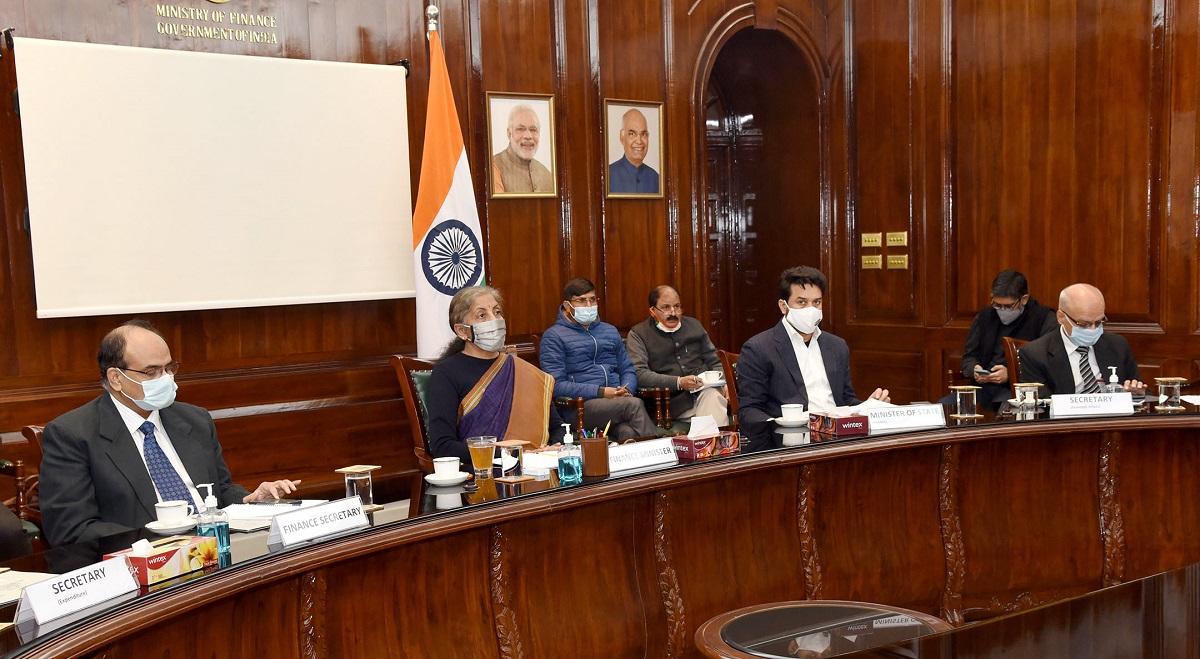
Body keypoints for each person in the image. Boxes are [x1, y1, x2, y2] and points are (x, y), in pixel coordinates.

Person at [39, 320, 301, 547]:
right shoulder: (72, 435)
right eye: (152, 372)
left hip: (217, 551)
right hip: (146, 566)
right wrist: (165, 539)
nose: (166, 379)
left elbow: (219, 490)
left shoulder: (194, 419)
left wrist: (249, 499)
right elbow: (72, 529)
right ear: (116, 379)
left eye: (169, 368)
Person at [737, 266, 889, 447]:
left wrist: (868, 406)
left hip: (839, 439)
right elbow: (749, 412)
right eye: (801, 302)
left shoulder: (836, 346)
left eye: (817, 302)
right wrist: (784, 425)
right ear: (783, 306)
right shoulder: (759, 348)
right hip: (791, 444)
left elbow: (845, 400)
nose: (811, 309)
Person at [427, 286, 565, 465]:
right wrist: (509, 454)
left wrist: (555, 446)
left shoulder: (524, 371)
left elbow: (557, 427)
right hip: (483, 473)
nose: (495, 320)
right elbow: (443, 446)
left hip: (539, 467)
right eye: (482, 315)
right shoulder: (446, 373)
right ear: (462, 331)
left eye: (497, 312)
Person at [540, 278, 660, 440]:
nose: (589, 306)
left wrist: (626, 390)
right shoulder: (553, 336)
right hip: (579, 407)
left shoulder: (609, 331)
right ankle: (661, 454)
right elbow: (556, 385)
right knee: (633, 405)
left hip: (617, 401)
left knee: (627, 432)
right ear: (568, 306)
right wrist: (601, 392)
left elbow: (627, 369)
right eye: (582, 301)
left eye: (592, 300)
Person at [625, 285, 729, 426]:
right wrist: (679, 382)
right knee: (713, 408)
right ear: (652, 311)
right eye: (666, 307)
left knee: (712, 397)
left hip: (706, 391)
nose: (673, 312)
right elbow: (639, 374)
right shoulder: (638, 334)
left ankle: (707, 445)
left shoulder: (694, 325)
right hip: (672, 404)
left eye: (677, 306)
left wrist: (724, 382)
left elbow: (715, 361)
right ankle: (712, 445)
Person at [1018, 283, 1145, 397]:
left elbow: (1140, 389)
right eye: (1083, 324)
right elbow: (1041, 405)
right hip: (1066, 422)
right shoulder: (1035, 354)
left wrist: (1136, 393)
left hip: (1112, 420)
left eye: (1099, 322)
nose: (1093, 329)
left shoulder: (1118, 345)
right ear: (1061, 317)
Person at [960, 269, 1057, 408]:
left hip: (1019, 393)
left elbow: (1048, 364)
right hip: (983, 389)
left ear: (1024, 299)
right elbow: (968, 357)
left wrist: (1011, 374)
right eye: (997, 305)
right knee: (945, 407)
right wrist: (974, 369)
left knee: (1006, 411)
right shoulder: (985, 316)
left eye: (1008, 306)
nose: (1002, 310)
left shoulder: (1044, 318)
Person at [491, 104, 554, 194]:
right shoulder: (494, 167)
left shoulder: (546, 174)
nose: (528, 136)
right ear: (509, 133)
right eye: (520, 129)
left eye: (533, 130)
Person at [608, 108, 659, 194]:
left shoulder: (656, 178)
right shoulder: (608, 176)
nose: (639, 141)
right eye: (632, 134)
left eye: (643, 134)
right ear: (622, 137)